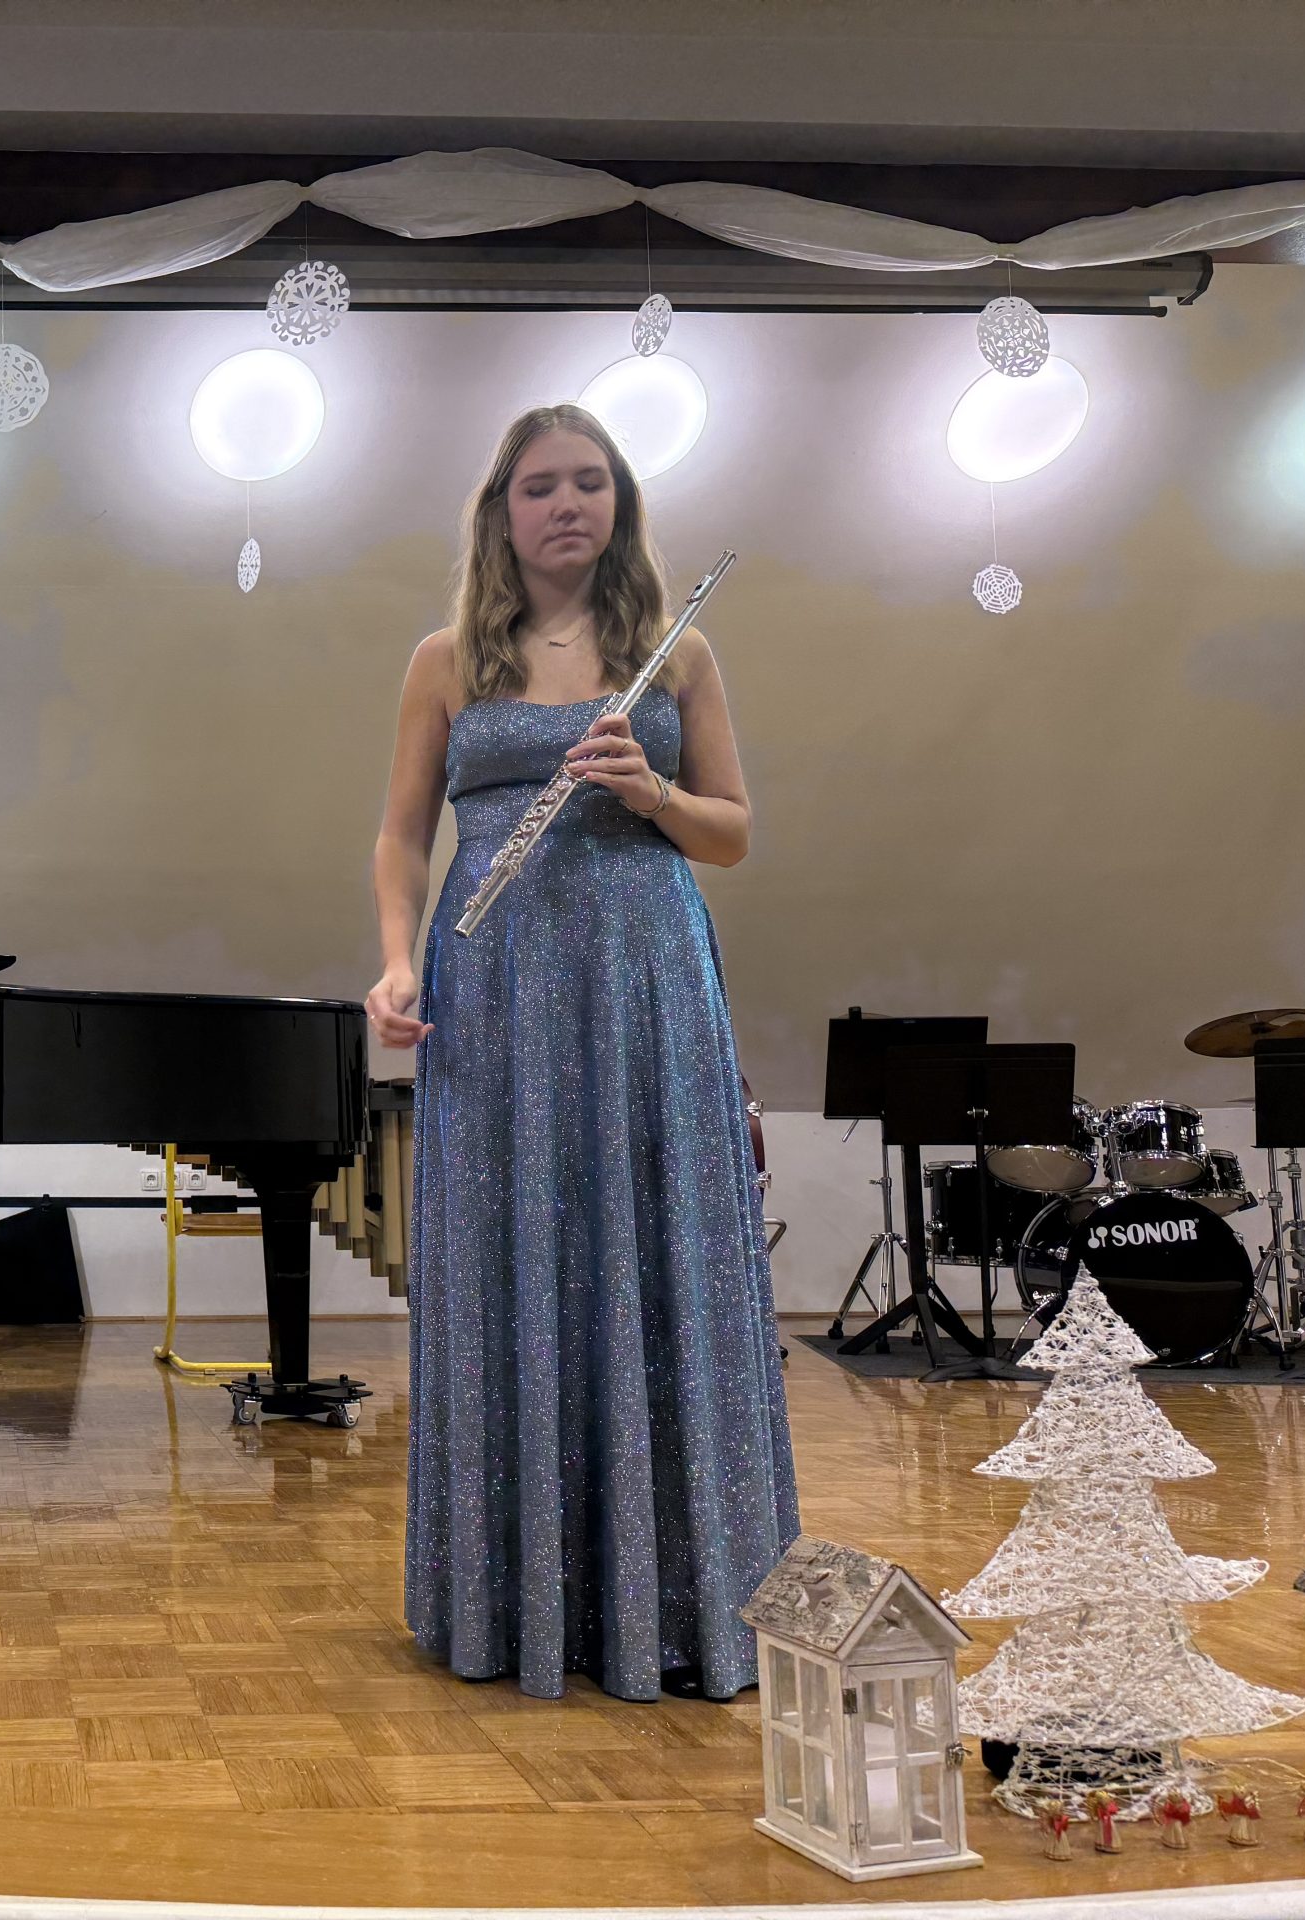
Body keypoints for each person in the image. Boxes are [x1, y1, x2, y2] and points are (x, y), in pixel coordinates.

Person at [365, 405, 796, 1704]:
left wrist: (649, 793)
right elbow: (401, 837)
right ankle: (516, 1603)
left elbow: (731, 834)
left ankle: (680, 1600)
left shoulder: (679, 653)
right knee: (511, 1256)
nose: (566, 505)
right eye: (541, 485)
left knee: (658, 1256)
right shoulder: (446, 660)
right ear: (501, 510)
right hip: (497, 987)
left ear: (620, 503)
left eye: (589, 483)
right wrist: (395, 961)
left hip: (645, 984)